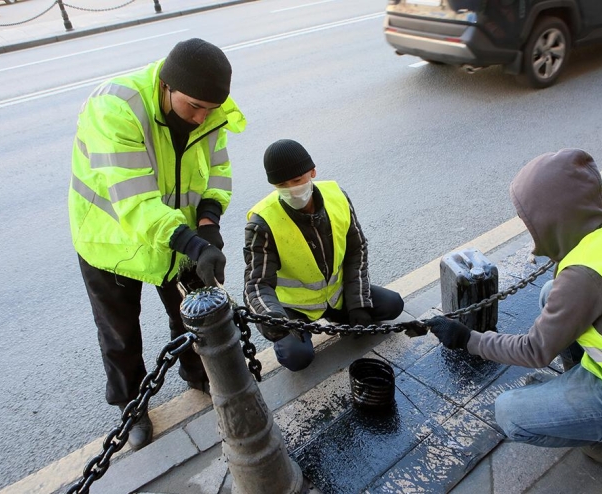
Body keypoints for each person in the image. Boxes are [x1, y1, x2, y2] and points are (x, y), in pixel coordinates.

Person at [426, 148, 602, 465]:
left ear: (553, 218)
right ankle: (579, 393)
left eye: (531, 220)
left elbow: (533, 351)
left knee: (509, 412)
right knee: (548, 293)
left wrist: (467, 339)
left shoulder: (583, 278)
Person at [69, 38, 246, 451]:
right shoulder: (115, 109)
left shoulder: (212, 114)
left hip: (179, 236)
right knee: (120, 335)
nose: (202, 118)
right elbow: (134, 201)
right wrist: (192, 241)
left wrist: (208, 225)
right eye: (193, 107)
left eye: (210, 109)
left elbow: (217, 169)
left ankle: (196, 371)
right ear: (166, 87)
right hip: (111, 242)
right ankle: (131, 406)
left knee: (188, 314)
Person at [243, 139, 404, 371]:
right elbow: (256, 285)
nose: (292, 189)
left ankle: (340, 315)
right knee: (297, 358)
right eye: (282, 185)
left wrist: (358, 302)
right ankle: (302, 331)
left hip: (337, 294)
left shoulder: (337, 197)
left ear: (313, 172)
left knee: (393, 305)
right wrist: (275, 320)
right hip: (293, 308)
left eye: (297, 180)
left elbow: (356, 249)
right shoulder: (263, 222)